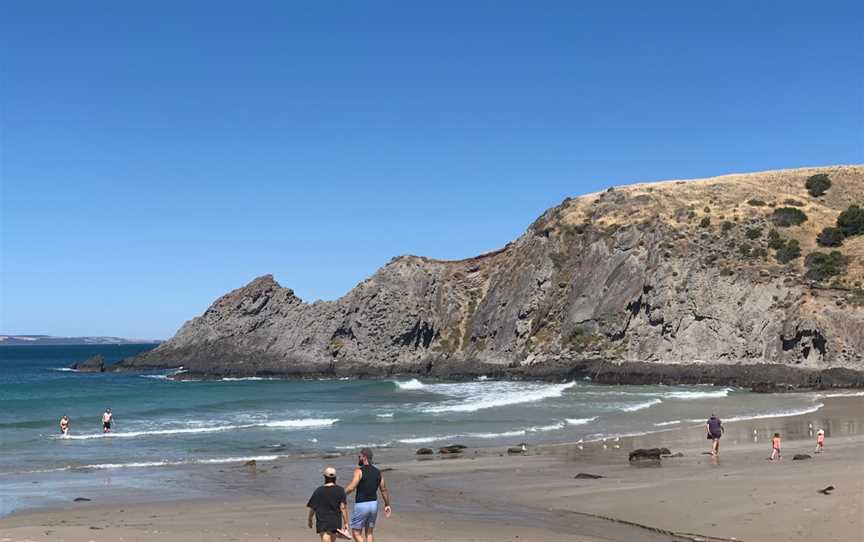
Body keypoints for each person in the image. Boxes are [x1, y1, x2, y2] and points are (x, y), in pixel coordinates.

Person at [345, 448, 392, 542]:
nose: (358, 458)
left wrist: (340, 493)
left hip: (362, 505)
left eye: (359, 456)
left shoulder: (359, 471)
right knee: (369, 533)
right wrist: (387, 504)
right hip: (373, 505)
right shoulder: (378, 472)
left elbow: (351, 488)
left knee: (356, 532)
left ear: (364, 457)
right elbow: (383, 490)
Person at [306, 467, 349, 542]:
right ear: (335, 478)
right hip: (335, 521)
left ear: (325, 477)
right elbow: (343, 508)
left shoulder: (318, 491)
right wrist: (346, 522)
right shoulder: (340, 490)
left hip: (323, 521)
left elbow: (313, 507)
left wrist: (310, 519)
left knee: (325, 539)